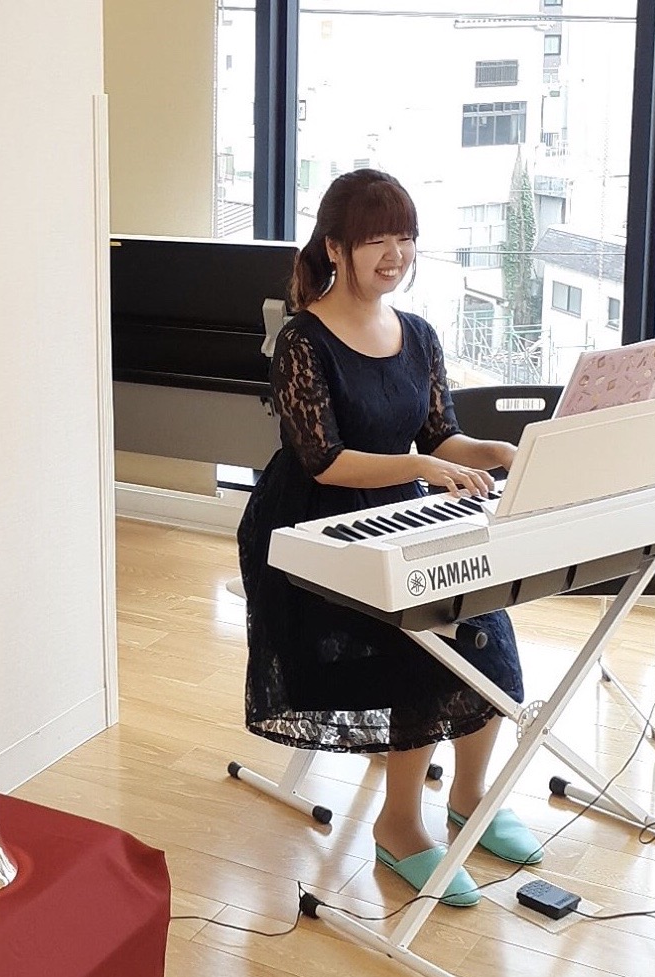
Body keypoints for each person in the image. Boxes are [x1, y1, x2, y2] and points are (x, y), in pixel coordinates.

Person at [237, 169, 541, 907]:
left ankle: (469, 799)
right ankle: (399, 826)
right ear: (335, 248)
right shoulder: (303, 340)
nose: (395, 255)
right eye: (377, 240)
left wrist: (502, 452)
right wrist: (421, 468)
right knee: (421, 651)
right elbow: (324, 460)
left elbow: (439, 435)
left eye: (405, 239)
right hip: (311, 529)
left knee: (486, 632)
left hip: (398, 511)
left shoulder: (419, 335)